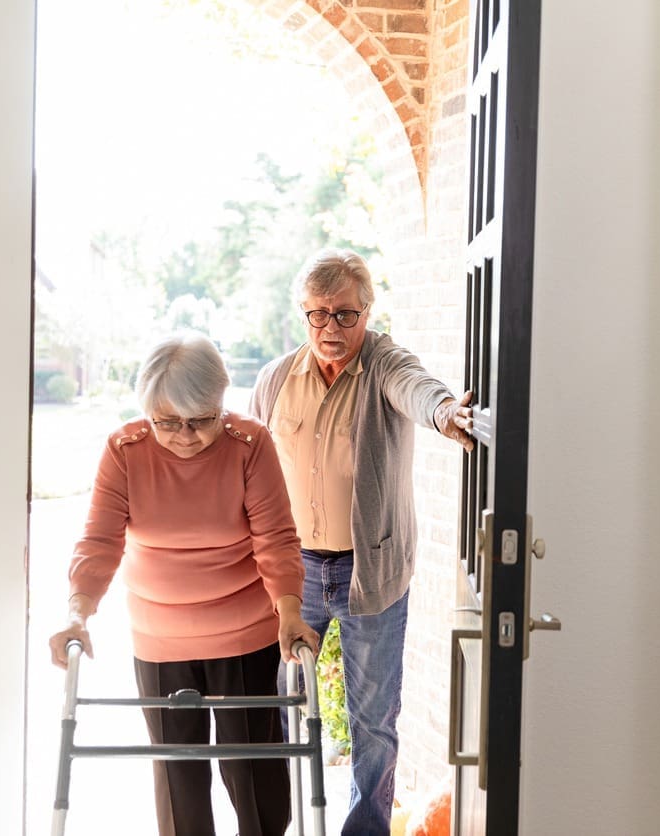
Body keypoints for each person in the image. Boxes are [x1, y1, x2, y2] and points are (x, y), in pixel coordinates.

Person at [49, 331, 320, 836]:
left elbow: (276, 538)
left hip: (244, 633)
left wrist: (288, 612)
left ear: (222, 402)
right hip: (161, 639)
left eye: (201, 420)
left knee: (252, 772)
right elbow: (99, 543)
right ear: (148, 410)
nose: (185, 435)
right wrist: (76, 615)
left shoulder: (250, 444)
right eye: (168, 421)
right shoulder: (125, 450)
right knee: (179, 778)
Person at [249, 249, 474, 835]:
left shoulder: (384, 363)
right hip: (292, 573)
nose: (331, 328)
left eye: (346, 314)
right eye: (318, 315)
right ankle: (274, 824)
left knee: (373, 721)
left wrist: (447, 413)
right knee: (276, 708)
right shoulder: (276, 379)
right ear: (303, 315)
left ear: (367, 310)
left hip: (367, 571)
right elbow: (247, 466)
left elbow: (418, 388)